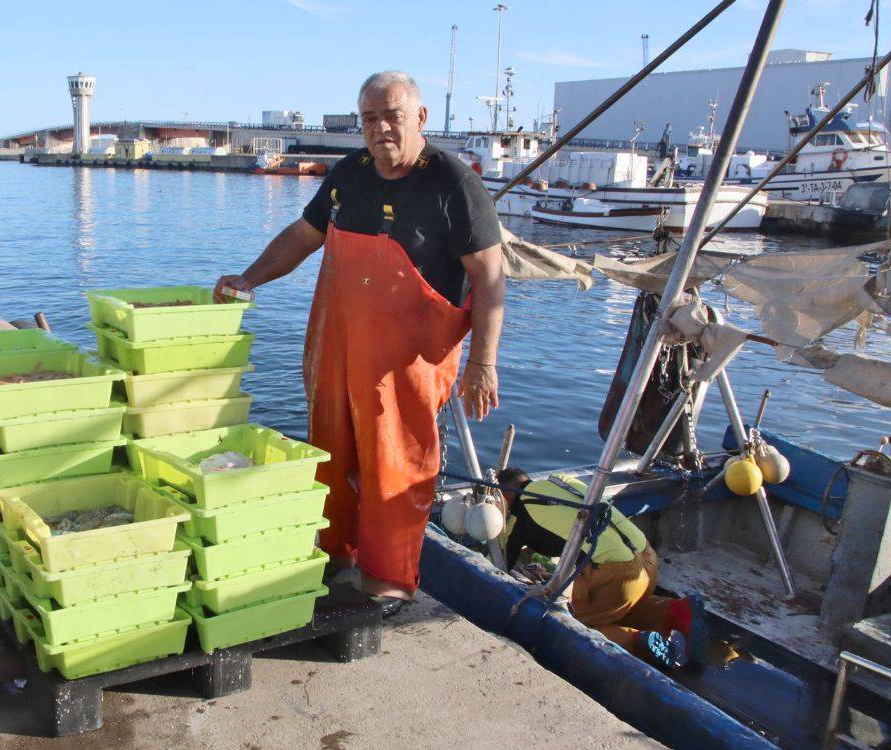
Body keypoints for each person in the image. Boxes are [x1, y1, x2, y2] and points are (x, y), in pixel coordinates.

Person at [213, 71, 505, 616]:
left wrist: (484, 362)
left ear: (420, 117)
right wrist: (250, 277)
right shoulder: (350, 173)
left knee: (395, 464)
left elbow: (490, 277)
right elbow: (303, 236)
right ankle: (334, 559)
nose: (380, 128)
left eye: (392, 115)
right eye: (369, 118)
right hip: (337, 347)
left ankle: (389, 582)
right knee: (329, 455)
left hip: (408, 364)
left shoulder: (454, 183)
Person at [496, 467, 705, 669]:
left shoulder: (520, 515)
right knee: (620, 608)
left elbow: (500, 563)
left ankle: (634, 642)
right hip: (646, 558)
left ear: (505, 496)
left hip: (617, 574)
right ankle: (678, 611)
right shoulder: (561, 480)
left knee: (575, 623)